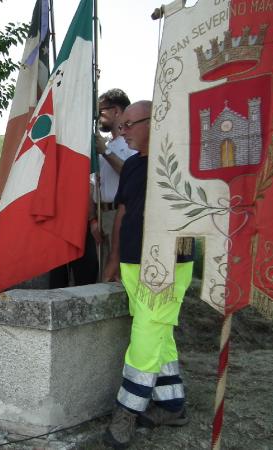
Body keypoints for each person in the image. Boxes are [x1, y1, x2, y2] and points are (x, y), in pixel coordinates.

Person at [101, 101, 194, 449]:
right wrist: (113, 259)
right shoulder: (132, 167)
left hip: (170, 260)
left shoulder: (180, 162)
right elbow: (124, 211)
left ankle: (127, 411)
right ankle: (172, 405)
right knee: (158, 333)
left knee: (146, 332)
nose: (121, 133)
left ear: (153, 122)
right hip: (131, 260)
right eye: (120, 126)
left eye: (128, 125)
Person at [94, 89, 137, 272]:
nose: (98, 116)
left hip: (119, 214)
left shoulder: (132, 144)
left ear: (117, 111)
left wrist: (105, 152)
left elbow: (131, 173)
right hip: (102, 215)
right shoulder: (108, 145)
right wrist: (94, 220)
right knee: (103, 270)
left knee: (118, 272)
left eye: (101, 111)